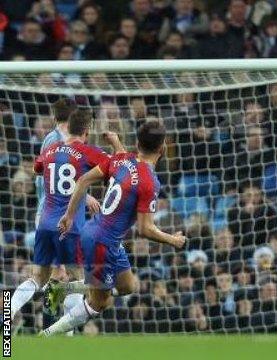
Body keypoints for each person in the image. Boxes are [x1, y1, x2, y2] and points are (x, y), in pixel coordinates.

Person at [40, 121, 186, 336]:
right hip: (102, 243)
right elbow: (146, 229)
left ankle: (62, 289)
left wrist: (69, 215)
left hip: (100, 234)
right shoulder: (150, 183)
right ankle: (47, 335)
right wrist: (173, 240)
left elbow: (82, 180)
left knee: (128, 286)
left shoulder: (121, 160)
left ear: (137, 143)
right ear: (163, 148)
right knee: (100, 303)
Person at [10, 110, 123, 323]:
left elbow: (37, 169)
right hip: (69, 226)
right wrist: (116, 144)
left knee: (38, 278)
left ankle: (8, 311)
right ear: (87, 131)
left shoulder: (51, 149)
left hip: (45, 223)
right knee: (78, 278)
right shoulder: (89, 152)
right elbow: (120, 169)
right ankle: (67, 335)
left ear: (68, 128)